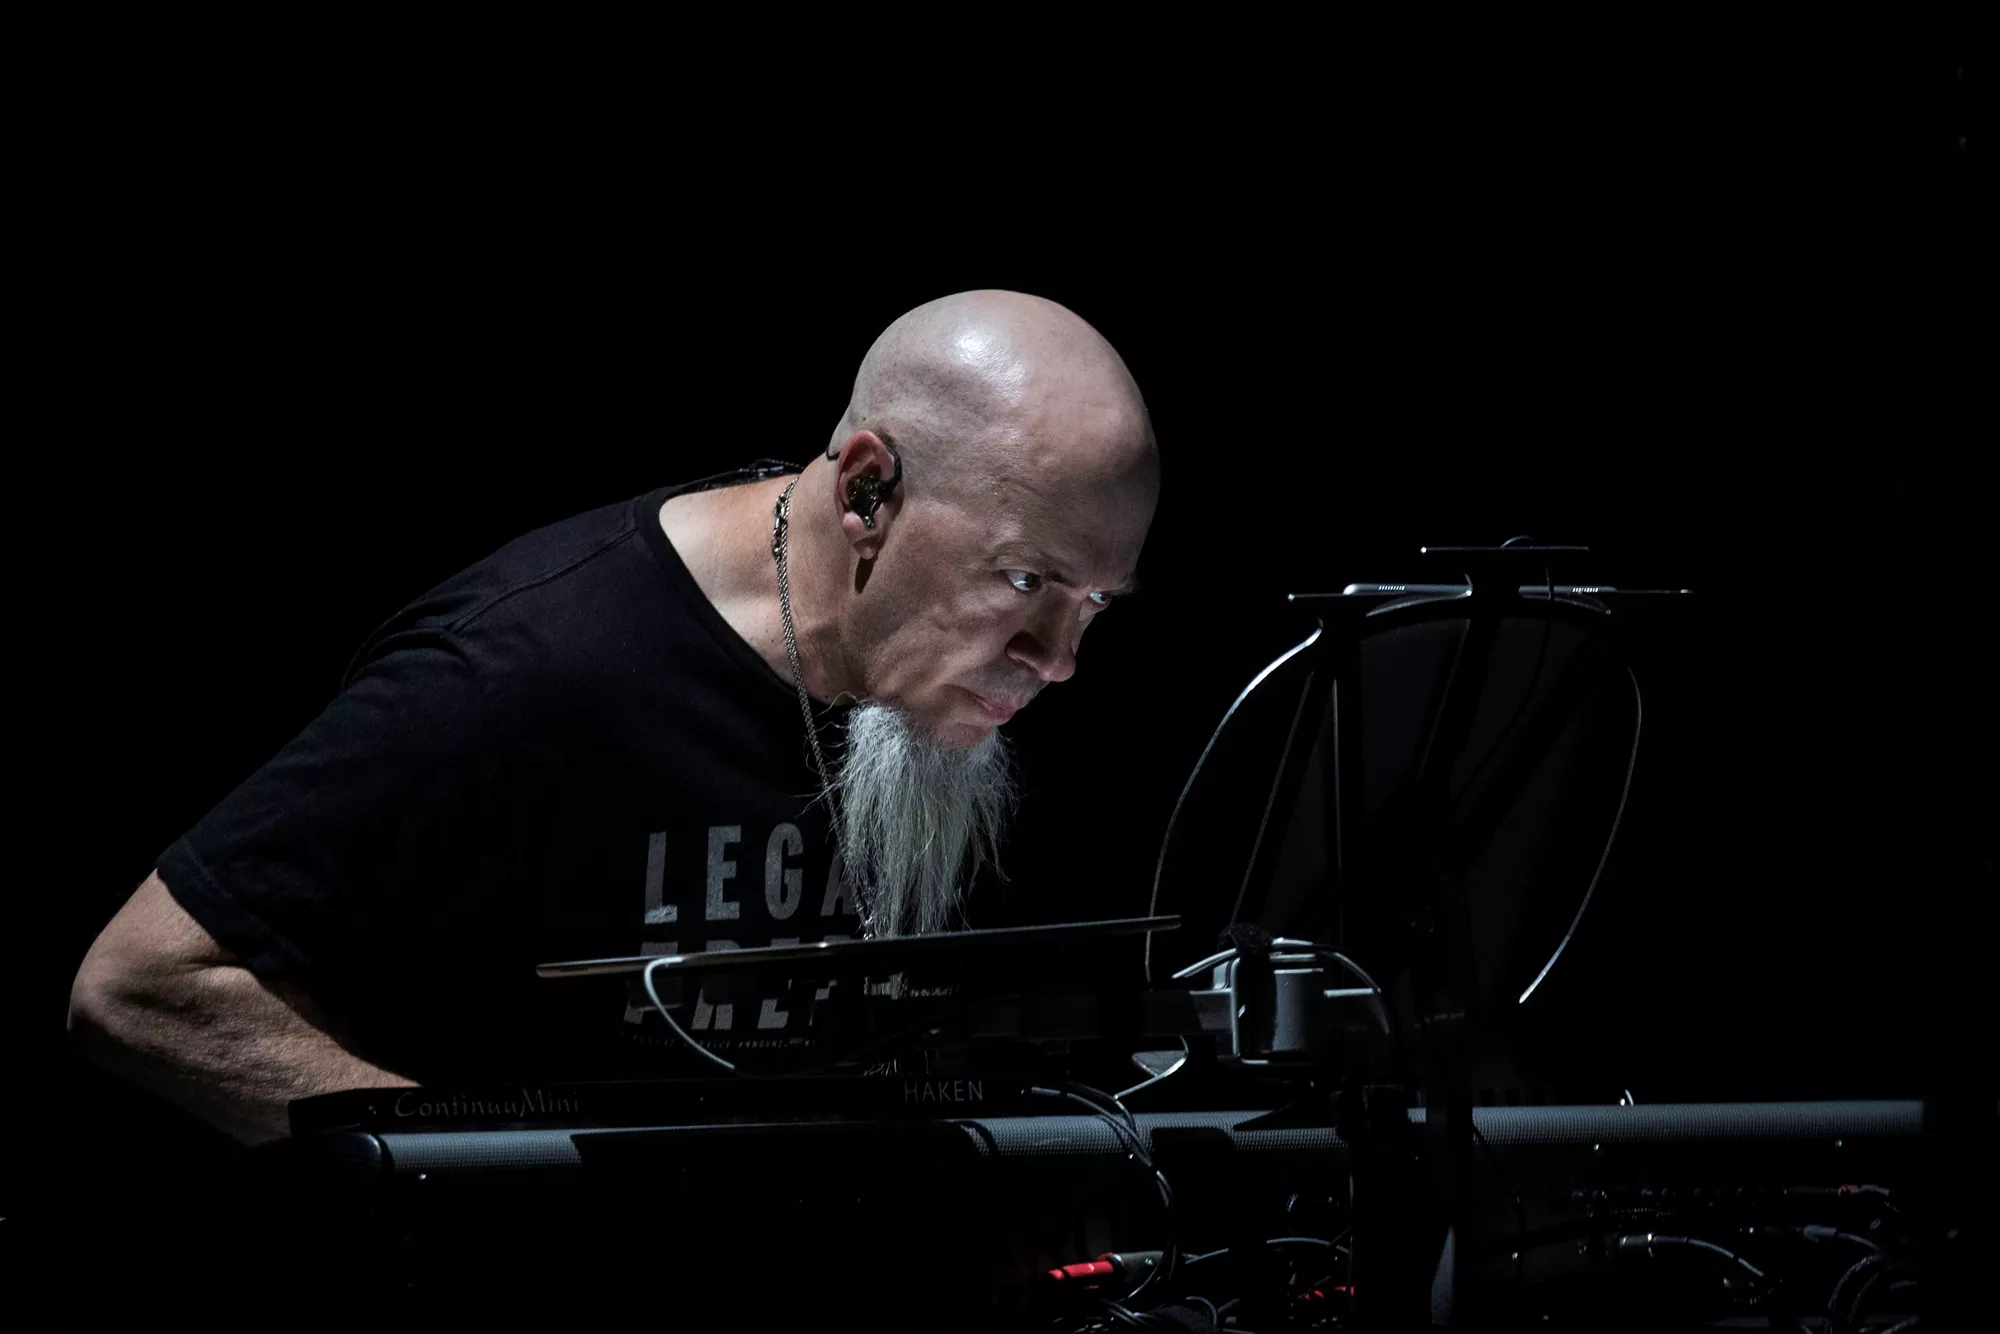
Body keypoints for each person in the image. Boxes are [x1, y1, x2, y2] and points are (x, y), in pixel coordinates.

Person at [67, 290, 1161, 1146]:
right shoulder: (525, 669)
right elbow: (139, 984)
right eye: (1023, 580)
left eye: (1096, 604)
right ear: (866, 490)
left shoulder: (955, 680)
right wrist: (472, 1187)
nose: (1059, 661)